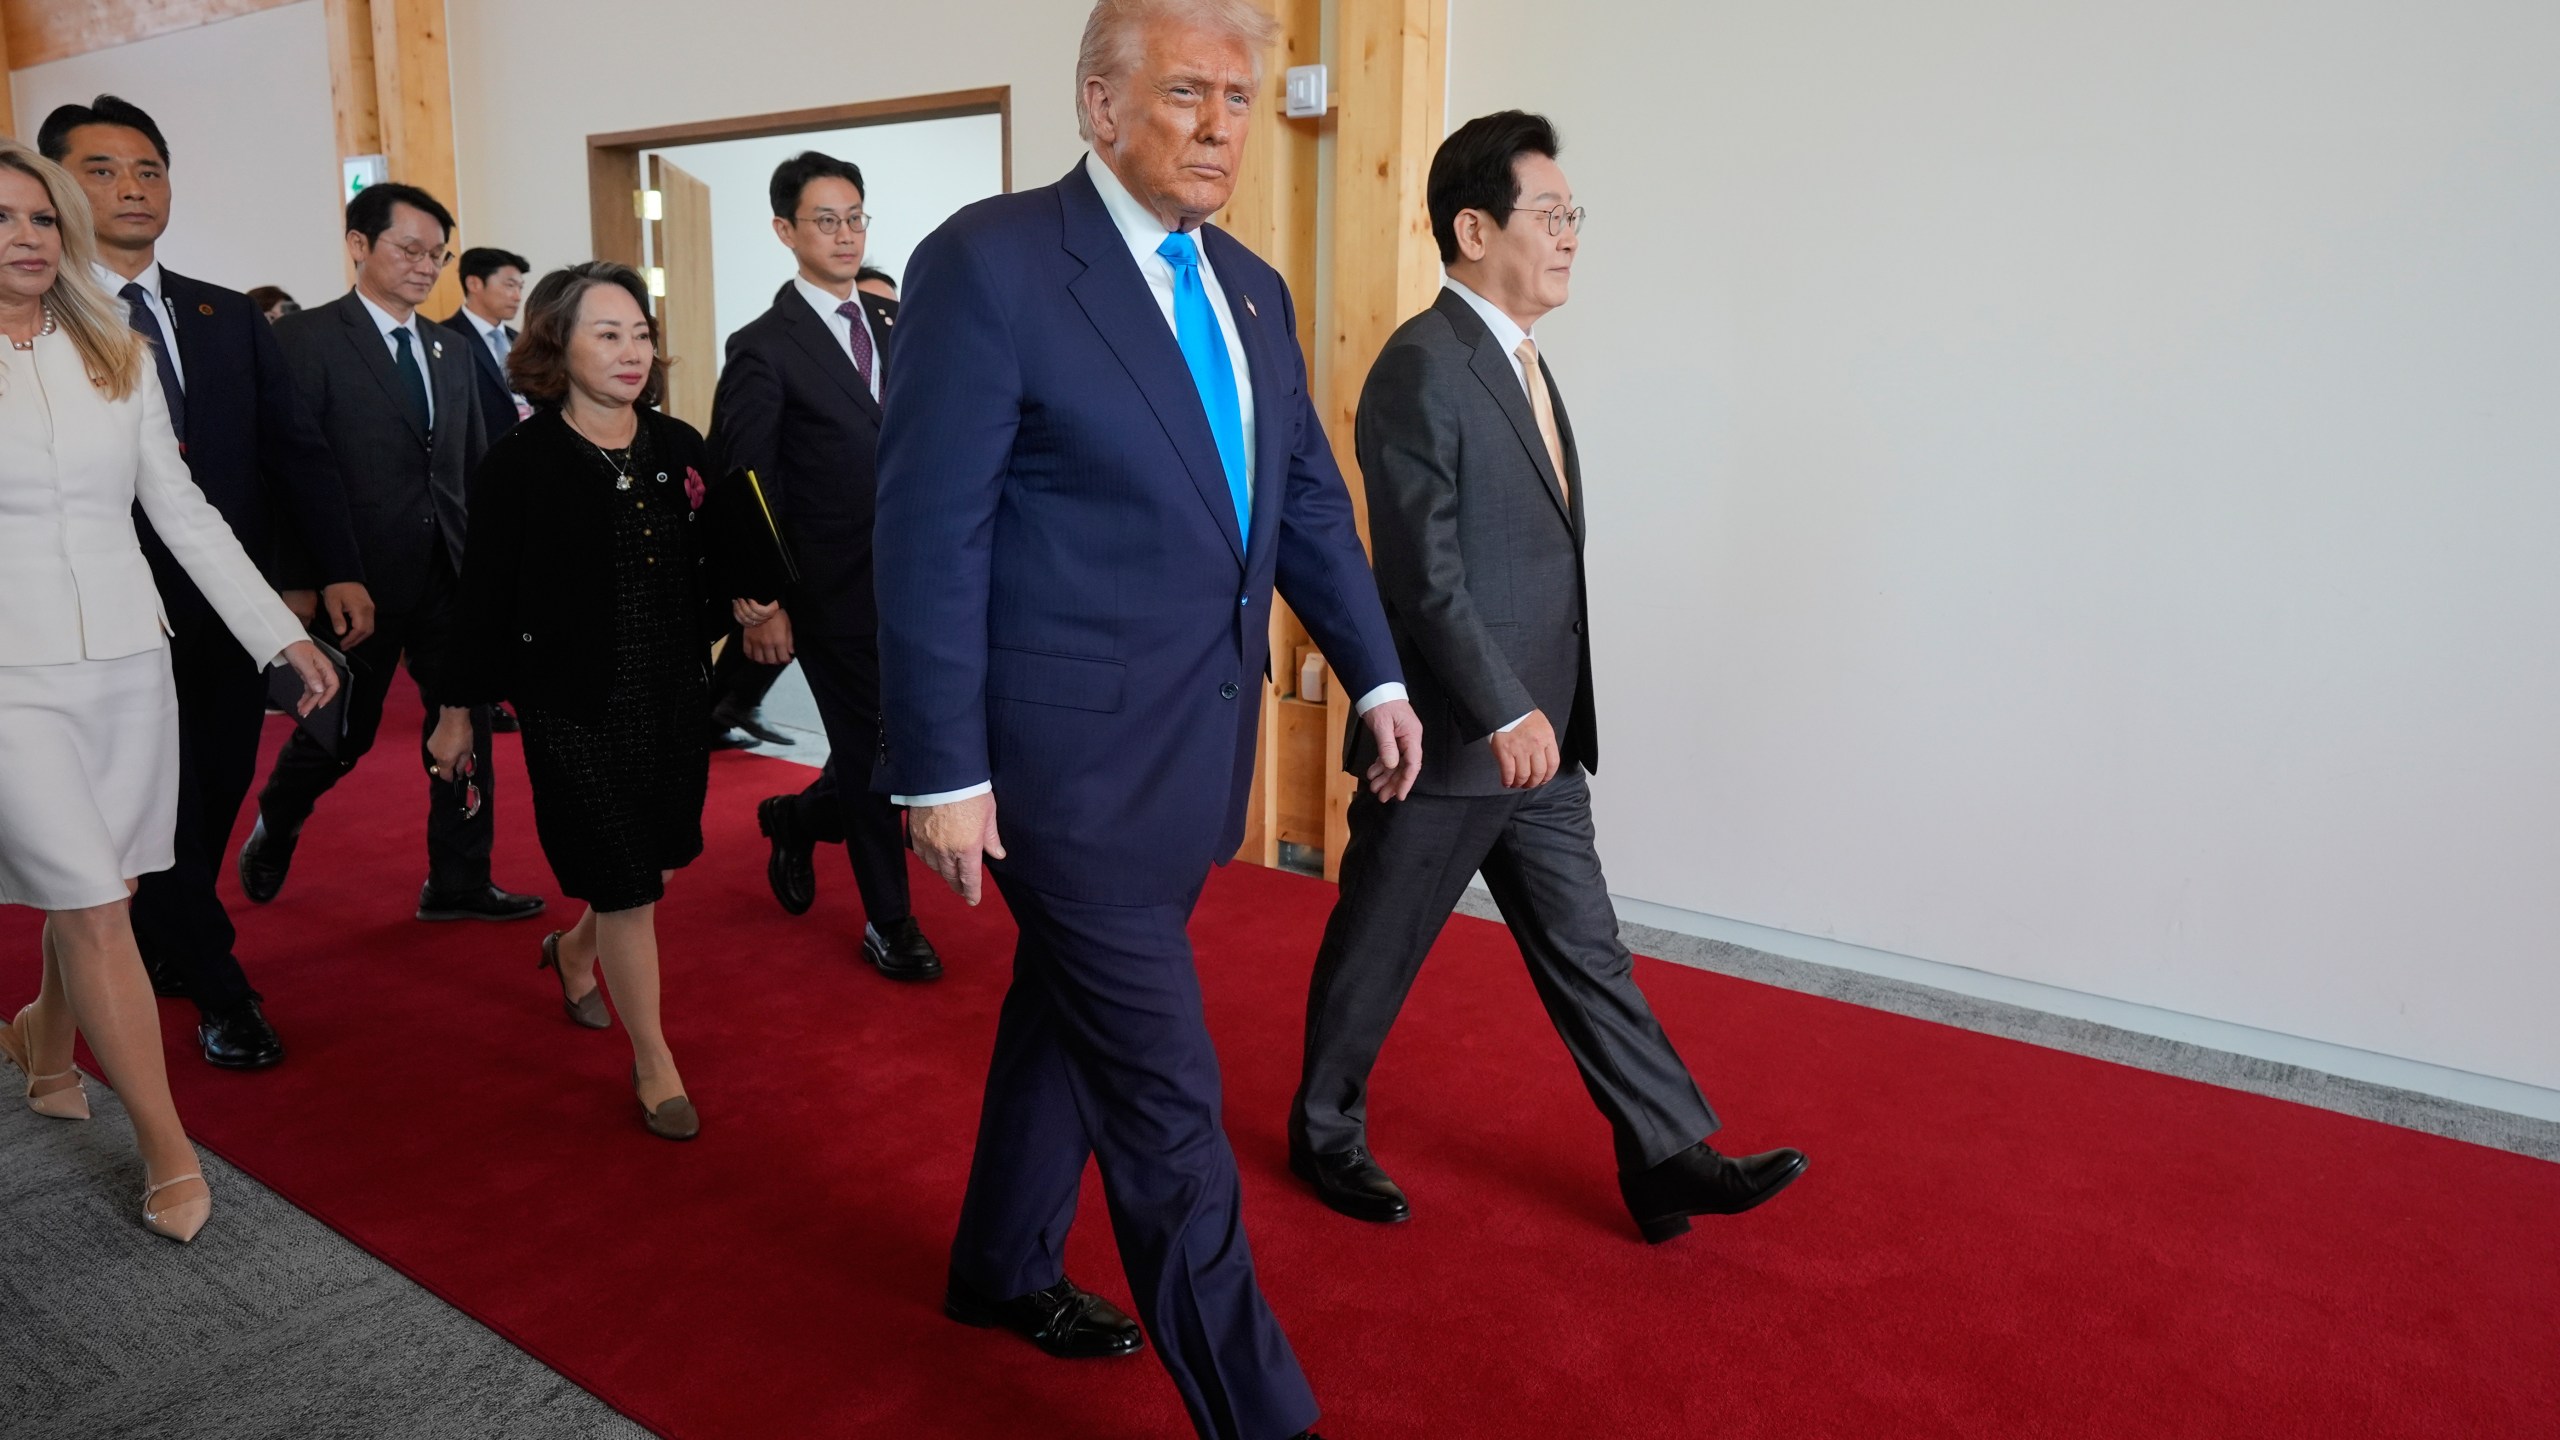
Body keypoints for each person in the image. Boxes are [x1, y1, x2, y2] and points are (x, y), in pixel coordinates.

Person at [874, 4, 1423, 1436]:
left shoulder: (1249, 288)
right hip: (1059, 770)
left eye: (1239, 99)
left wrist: (1376, 676)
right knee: (1168, 1099)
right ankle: (1261, 1413)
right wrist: (941, 768)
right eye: (1188, 92)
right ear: (1100, 105)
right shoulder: (990, 264)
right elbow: (930, 533)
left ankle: (999, 1267)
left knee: (1063, 1016)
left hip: (1195, 756)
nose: (1221, 127)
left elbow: (1303, 502)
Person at [1290, 112, 1808, 1244]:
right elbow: (1421, 574)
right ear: (1474, 230)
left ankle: (1664, 1154)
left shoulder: (1523, 361)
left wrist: (1541, 714)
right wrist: (1502, 707)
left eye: (1577, 215)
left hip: (1541, 737)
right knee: (1379, 946)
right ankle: (1323, 1133)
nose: (1571, 234)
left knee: (1588, 949)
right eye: (1551, 213)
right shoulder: (1422, 365)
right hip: (1452, 737)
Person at [0, 138, 340, 1241]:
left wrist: (277, 634)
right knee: (96, 906)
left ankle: (44, 1039)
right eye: (1, 219)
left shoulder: (118, 354)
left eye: (40, 217)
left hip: (129, 665)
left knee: (102, 883)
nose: (26, 237)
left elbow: (183, 513)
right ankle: (167, 1149)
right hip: (10, 679)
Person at [36, 96, 376, 1071]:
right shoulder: (40, 319)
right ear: (58, 188)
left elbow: (292, 451)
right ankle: (218, 982)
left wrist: (330, 569)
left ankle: (166, 934)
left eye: (148, 169)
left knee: (215, 786)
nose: (132, 188)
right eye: (102, 171)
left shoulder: (223, 314)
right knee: (140, 806)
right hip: (94, 614)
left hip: (225, 602)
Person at [451, 263, 719, 1140]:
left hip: (674, 692)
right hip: (572, 702)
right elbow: (483, 596)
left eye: (640, 333)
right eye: (608, 334)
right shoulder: (520, 463)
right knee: (628, 886)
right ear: (556, 346)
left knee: (655, 867)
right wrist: (456, 710)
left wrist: (755, 598)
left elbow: (715, 557)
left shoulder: (679, 446)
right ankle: (655, 1062)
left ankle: (571, 951)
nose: (632, 351)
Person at [241, 182, 544, 924]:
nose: (425, 266)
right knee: (342, 732)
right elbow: (283, 470)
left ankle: (460, 879)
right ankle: (279, 816)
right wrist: (303, 578)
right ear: (358, 245)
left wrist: (494, 568)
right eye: (409, 249)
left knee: (465, 724)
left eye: (437, 255)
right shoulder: (305, 339)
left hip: (450, 573)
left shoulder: (451, 348)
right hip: (355, 579)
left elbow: (472, 465)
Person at [707, 151, 940, 975]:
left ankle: (799, 819)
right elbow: (745, 479)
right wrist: (762, 600)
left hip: (922, 583)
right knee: (874, 747)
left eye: (855, 218)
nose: (846, 235)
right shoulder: (763, 346)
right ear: (785, 230)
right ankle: (891, 921)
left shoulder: (899, 321)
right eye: (826, 221)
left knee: (910, 739)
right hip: (830, 591)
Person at [440, 245, 530, 440]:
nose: (517, 296)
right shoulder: (445, 339)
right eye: (510, 285)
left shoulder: (520, 339)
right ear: (474, 284)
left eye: (520, 287)